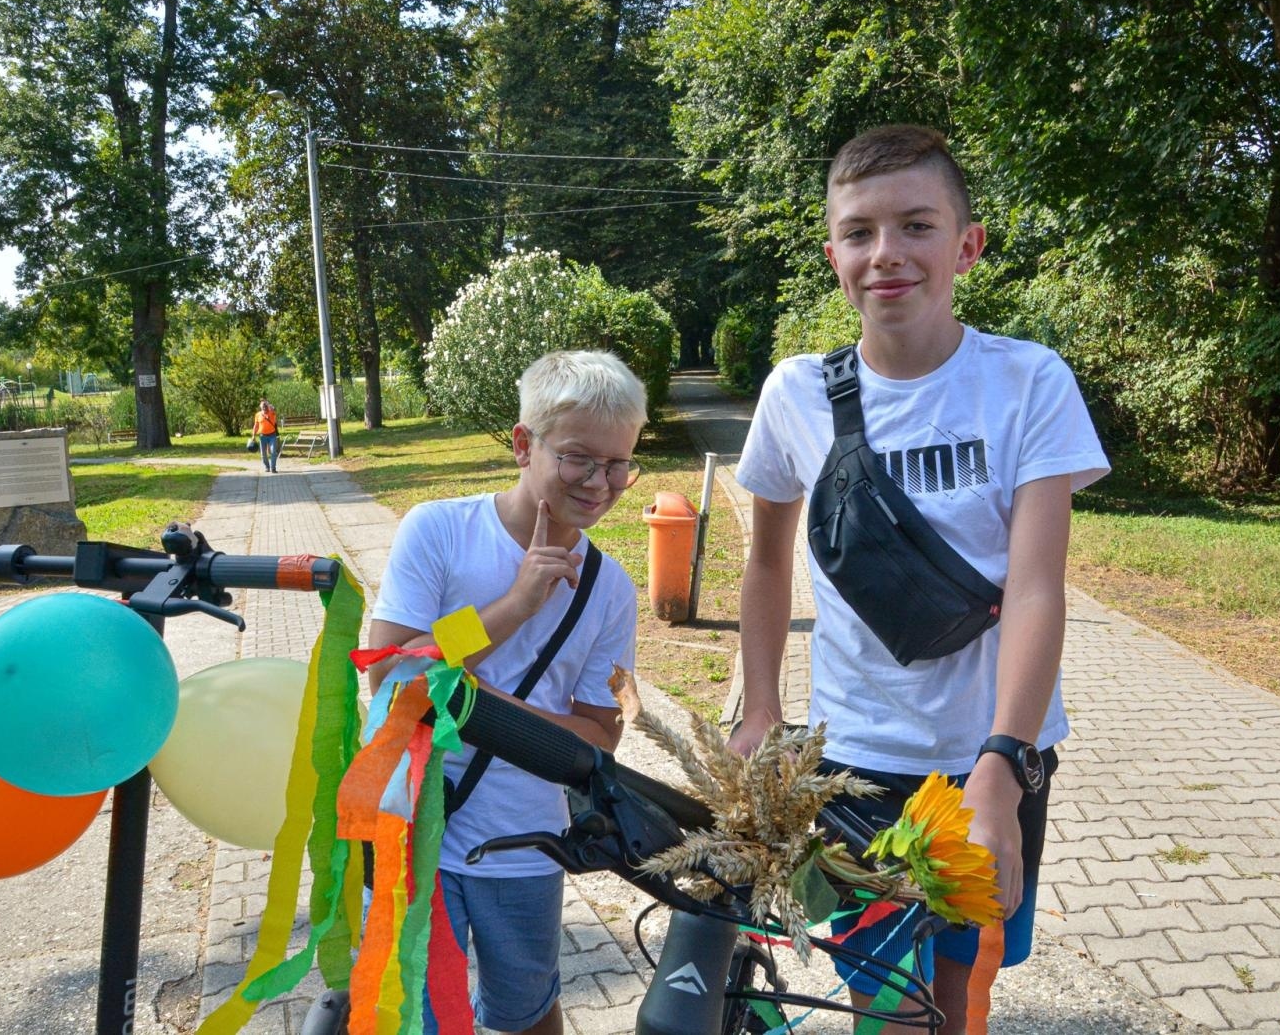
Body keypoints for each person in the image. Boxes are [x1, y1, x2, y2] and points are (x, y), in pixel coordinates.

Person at [728, 125, 1109, 1034]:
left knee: (964, 994)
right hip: (854, 767)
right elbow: (766, 561)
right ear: (833, 255)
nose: (885, 254)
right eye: (859, 232)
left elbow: (1037, 587)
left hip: (995, 757)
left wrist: (1003, 765)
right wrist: (756, 710)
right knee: (884, 1005)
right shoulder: (794, 395)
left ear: (966, 246)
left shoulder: (1028, 381)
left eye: (916, 226)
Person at [366, 349, 646, 1035]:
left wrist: (470, 703)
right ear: (524, 445)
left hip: (526, 843)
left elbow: (598, 738)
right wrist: (516, 605)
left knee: (525, 1011)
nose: (599, 482)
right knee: (417, 1016)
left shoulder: (610, 590)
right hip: (414, 830)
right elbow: (391, 671)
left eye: (618, 464)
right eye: (580, 457)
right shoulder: (439, 530)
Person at [253, 398, 280, 473]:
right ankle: (267, 467)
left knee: (273, 451)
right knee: (263, 454)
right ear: (260, 407)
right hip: (262, 436)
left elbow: (273, 408)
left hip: (272, 435)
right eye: (263, 406)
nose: (264, 407)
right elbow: (256, 426)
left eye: (265, 406)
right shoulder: (258, 415)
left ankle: (273, 468)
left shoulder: (272, 412)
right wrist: (253, 435)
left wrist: (266, 403)